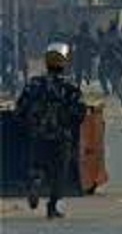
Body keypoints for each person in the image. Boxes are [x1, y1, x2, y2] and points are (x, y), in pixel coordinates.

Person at [14, 42, 86, 219]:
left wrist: (29, 125)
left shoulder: (34, 84)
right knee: (58, 174)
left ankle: (36, 182)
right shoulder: (69, 87)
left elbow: (20, 108)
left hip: (38, 134)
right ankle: (52, 206)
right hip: (61, 137)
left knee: (37, 165)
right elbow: (79, 112)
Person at [70, 22, 98, 88]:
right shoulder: (89, 36)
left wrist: (72, 49)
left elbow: (70, 41)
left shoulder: (77, 35)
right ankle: (87, 77)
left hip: (79, 54)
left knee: (78, 70)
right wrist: (94, 53)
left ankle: (79, 83)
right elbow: (96, 46)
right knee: (87, 68)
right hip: (86, 55)